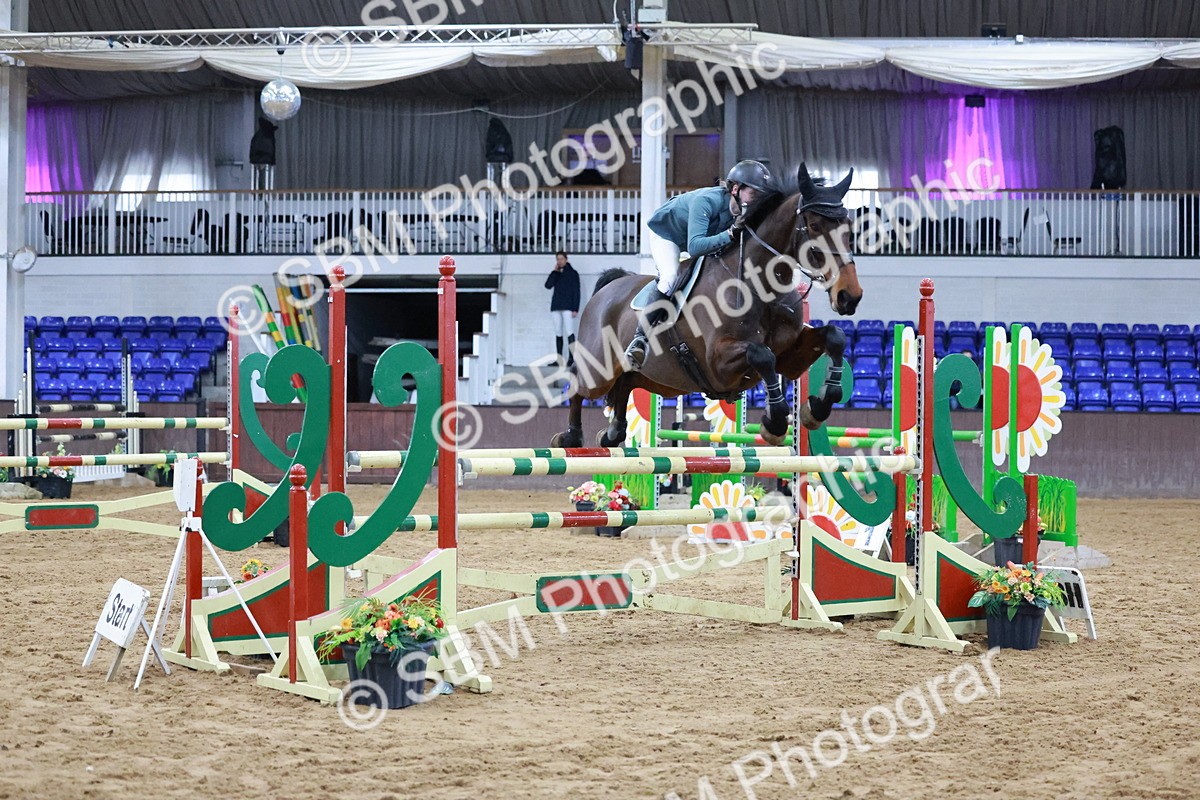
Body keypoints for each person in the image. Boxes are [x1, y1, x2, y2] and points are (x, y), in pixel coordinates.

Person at [624, 160, 778, 370]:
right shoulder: (706, 201)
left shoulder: (743, 210)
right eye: (754, 193)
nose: (757, 199)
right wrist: (731, 233)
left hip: (701, 237)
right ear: (735, 189)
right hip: (668, 235)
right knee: (670, 277)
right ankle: (640, 339)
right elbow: (695, 247)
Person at [544, 250, 580, 365]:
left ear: (566, 259)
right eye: (558, 259)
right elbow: (548, 285)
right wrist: (555, 272)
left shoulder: (573, 273)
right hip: (556, 306)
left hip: (568, 306)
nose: (559, 261)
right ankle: (559, 359)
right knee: (558, 332)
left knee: (569, 331)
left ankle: (572, 358)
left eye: (561, 259)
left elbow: (576, 291)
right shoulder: (556, 274)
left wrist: (575, 308)